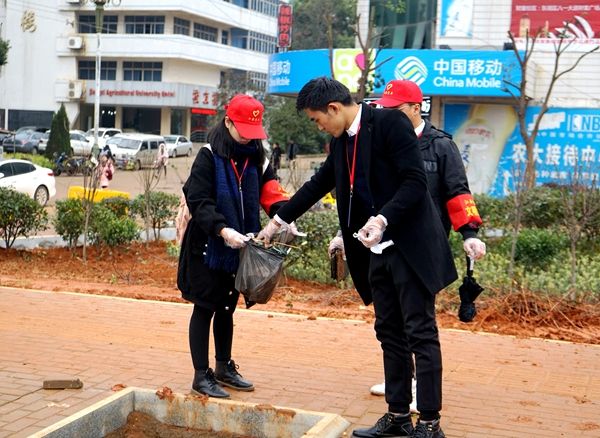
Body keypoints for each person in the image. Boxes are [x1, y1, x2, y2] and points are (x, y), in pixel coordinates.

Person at [257, 77, 457, 438]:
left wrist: (383, 219)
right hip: (374, 250)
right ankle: (398, 416)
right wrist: (278, 221)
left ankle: (429, 422)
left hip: (409, 246)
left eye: (317, 119)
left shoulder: (390, 123)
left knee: (419, 332)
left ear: (334, 108)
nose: (319, 127)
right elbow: (318, 185)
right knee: (389, 331)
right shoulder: (341, 142)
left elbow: (415, 182)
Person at [348, 79, 486, 400]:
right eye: (384, 109)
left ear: (415, 108)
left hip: (422, 246)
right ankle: (400, 382)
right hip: (384, 245)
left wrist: (469, 233)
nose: (388, 115)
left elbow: (457, 190)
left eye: (395, 109)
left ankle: (421, 392)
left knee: (417, 322)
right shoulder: (378, 141)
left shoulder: (441, 146)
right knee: (388, 322)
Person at [176, 94, 292, 399]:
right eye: (243, 130)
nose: (248, 138)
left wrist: (284, 217)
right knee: (205, 307)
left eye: (254, 132)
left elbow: (271, 191)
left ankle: (224, 367)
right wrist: (222, 229)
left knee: (227, 307)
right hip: (208, 246)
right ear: (227, 122)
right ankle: (201, 375)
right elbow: (199, 200)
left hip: (241, 246)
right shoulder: (209, 156)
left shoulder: (257, 158)